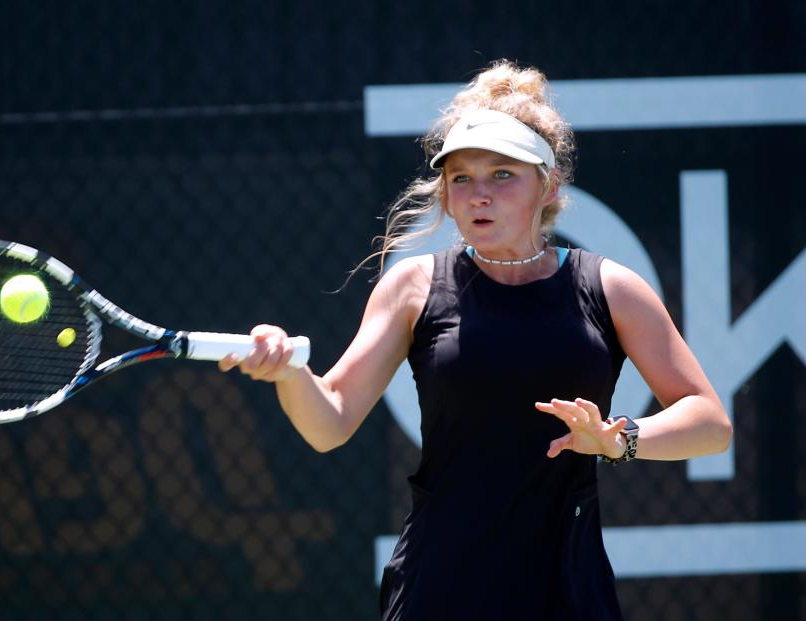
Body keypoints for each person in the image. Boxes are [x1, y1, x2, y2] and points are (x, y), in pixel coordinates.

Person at [219, 60, 732, 620]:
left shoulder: (611, 288)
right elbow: (330, 421)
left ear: (548, 185)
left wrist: (618, 439)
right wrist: (291, 375)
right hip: (440, 584)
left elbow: (709, 422)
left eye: (502, 175)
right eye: (460, 178)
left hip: (567, 584)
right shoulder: (412, 288)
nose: (477, 195)